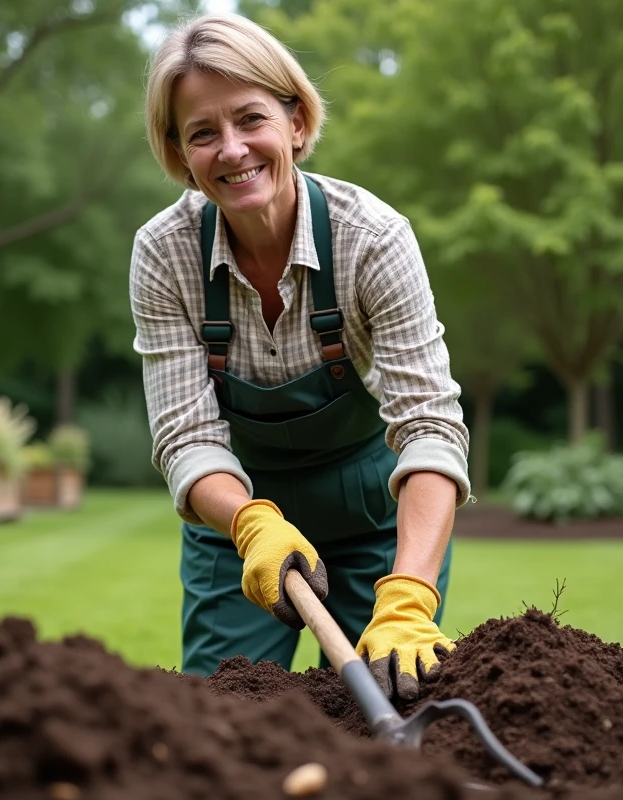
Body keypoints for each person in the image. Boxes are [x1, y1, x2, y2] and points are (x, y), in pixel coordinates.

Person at [129, 12, 471, 702]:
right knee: (225, 718)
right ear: (179, 153)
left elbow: (431, 425)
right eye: (202, 132)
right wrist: (251, 523)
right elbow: (186, 437)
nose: (231, 150)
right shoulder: (163, 254)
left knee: (396, 698)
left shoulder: (372, 239)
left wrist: (406, 596)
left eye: (250, 118)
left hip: (377, 521)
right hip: (240, 526)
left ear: (295, 121)